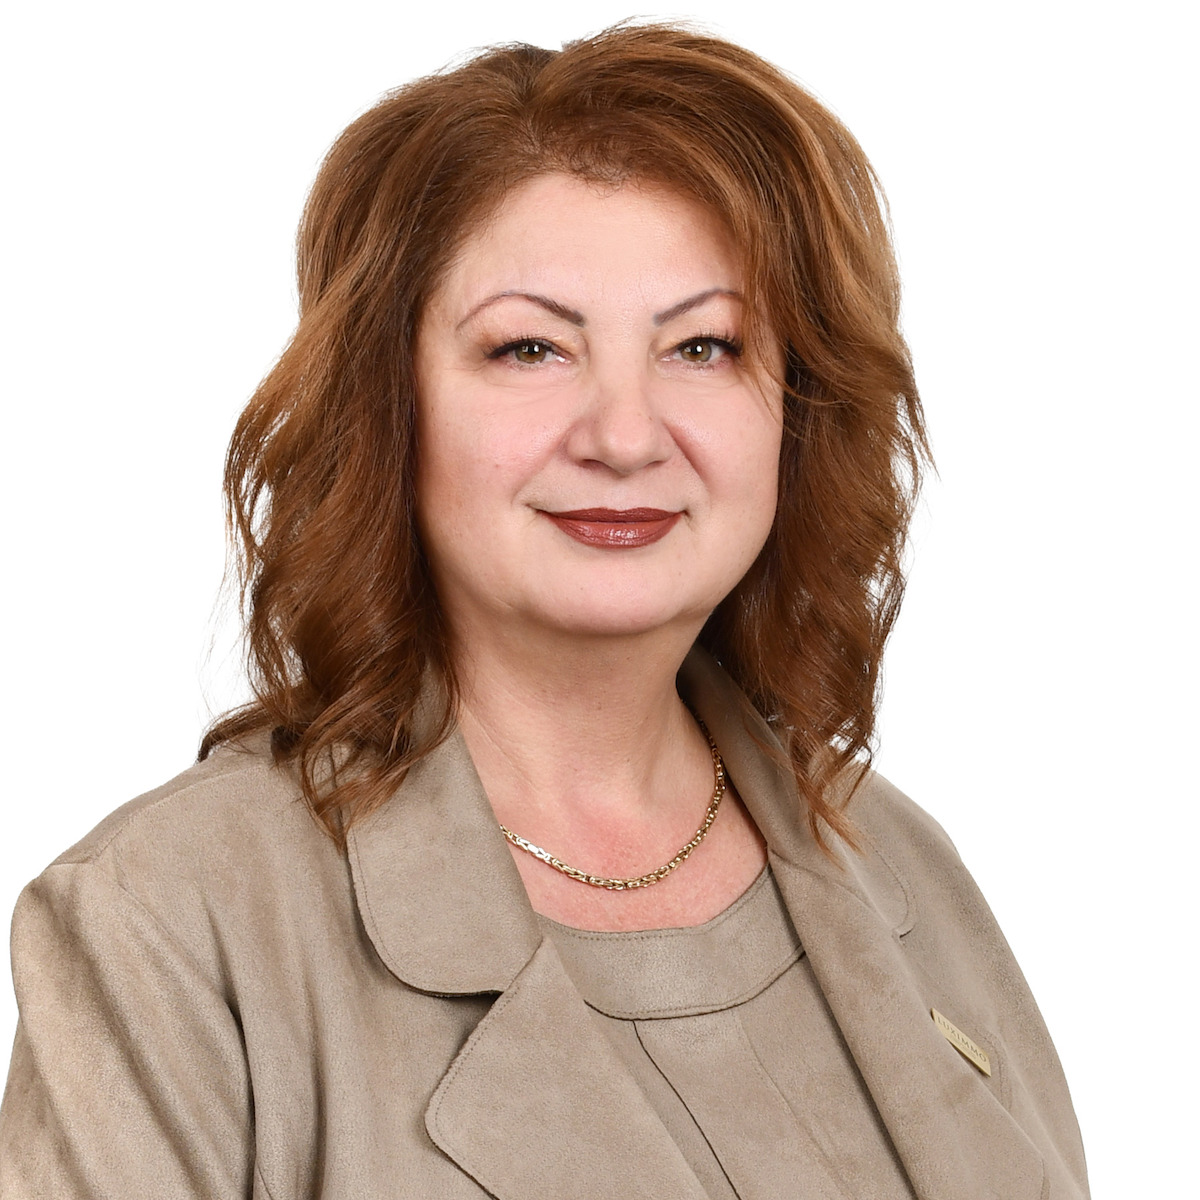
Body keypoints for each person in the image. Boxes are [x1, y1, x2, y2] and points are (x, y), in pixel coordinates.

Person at [0, 21, 1089, 1200]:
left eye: (704, 346)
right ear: (387, 406)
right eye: (529, 348)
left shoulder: (903, 865)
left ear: (799, 409)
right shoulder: (173, 920)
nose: (624, 435)